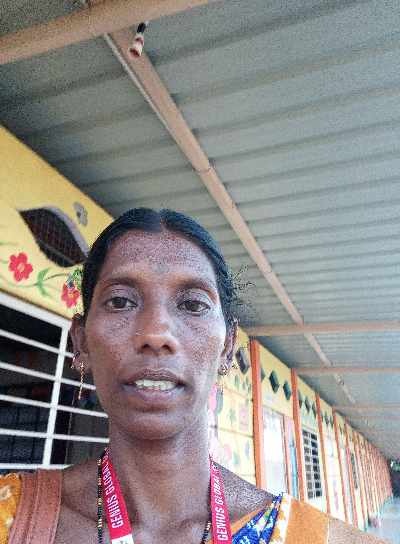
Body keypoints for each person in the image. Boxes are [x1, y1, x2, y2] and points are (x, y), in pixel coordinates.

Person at [0, 208, 386, 543]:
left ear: (227, 347)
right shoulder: (11, 517)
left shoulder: (315, 536)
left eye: (192, 305)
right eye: (120, 301)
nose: (156, 333)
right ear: (81, 342)